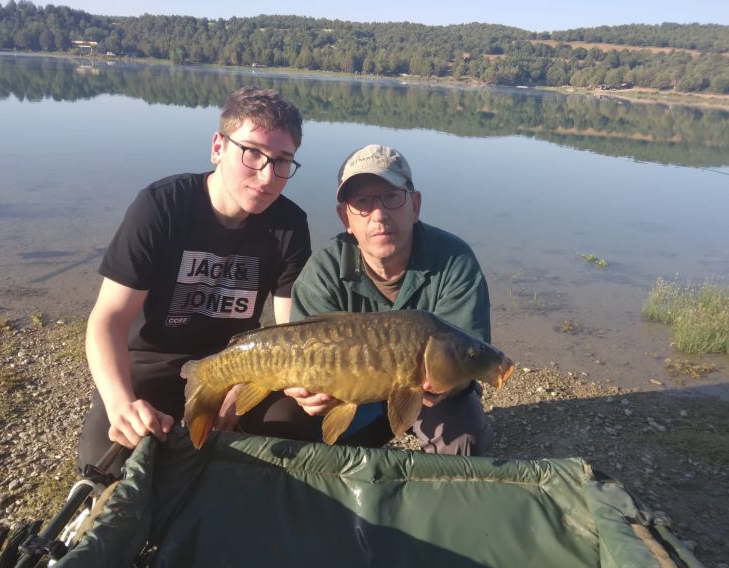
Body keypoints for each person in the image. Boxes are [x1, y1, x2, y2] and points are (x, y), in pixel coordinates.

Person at [75, 86, 311, 474]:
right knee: (107, 460)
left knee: (293, 425)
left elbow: (290, 332)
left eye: (283, 161)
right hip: (152, 363)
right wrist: (121, 405)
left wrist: (247, 386)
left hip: (236, 362)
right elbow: (108, 320)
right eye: (252, 152)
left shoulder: (289, 224)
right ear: (218, 147)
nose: (268, 176)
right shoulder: (162, 206)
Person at [284, 144, 495, 455]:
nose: (379, 216)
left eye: (392, 197)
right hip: (351, 396)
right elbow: (295, 357)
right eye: (362, 203)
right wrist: (302, 391)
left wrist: (449, 384)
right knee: (288, 422)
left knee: (464, 436)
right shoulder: (324, 270)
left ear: (415, 205)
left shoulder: (454, 261)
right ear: (345, 217)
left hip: (426, 397)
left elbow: (470, 356)